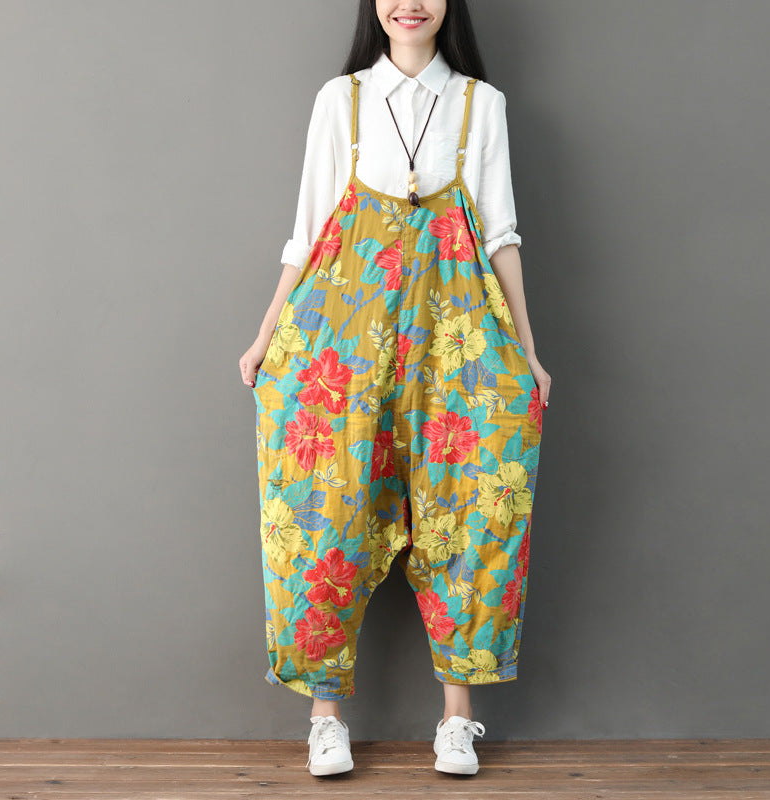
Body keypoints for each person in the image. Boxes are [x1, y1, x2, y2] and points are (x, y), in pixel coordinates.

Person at [238, 0, 551, 778]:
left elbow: (501, 234)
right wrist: (267, 333)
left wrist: (528, 352)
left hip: (457, 339)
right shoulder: (340, 100)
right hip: (343, 341)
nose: (409, 1)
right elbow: (309, 233)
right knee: (329, 510)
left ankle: (456, 720)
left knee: (467, 509)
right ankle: (324, 721)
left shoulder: (480, 105)